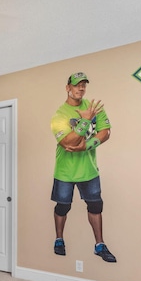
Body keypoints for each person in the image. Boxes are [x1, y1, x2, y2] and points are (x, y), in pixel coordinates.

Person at [50, 72, 116, 263]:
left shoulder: (94, 108)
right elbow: (67, 142)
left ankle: (100, 245)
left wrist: (87, 145)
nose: (81, 88)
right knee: (63, 206)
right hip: (65, 170)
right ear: (68, 88)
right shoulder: (59, 115)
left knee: (96, 205)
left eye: (84, 85)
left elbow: (106, 132)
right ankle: (59, 239)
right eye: (77, 85)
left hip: (89, 169)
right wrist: (86, 121)